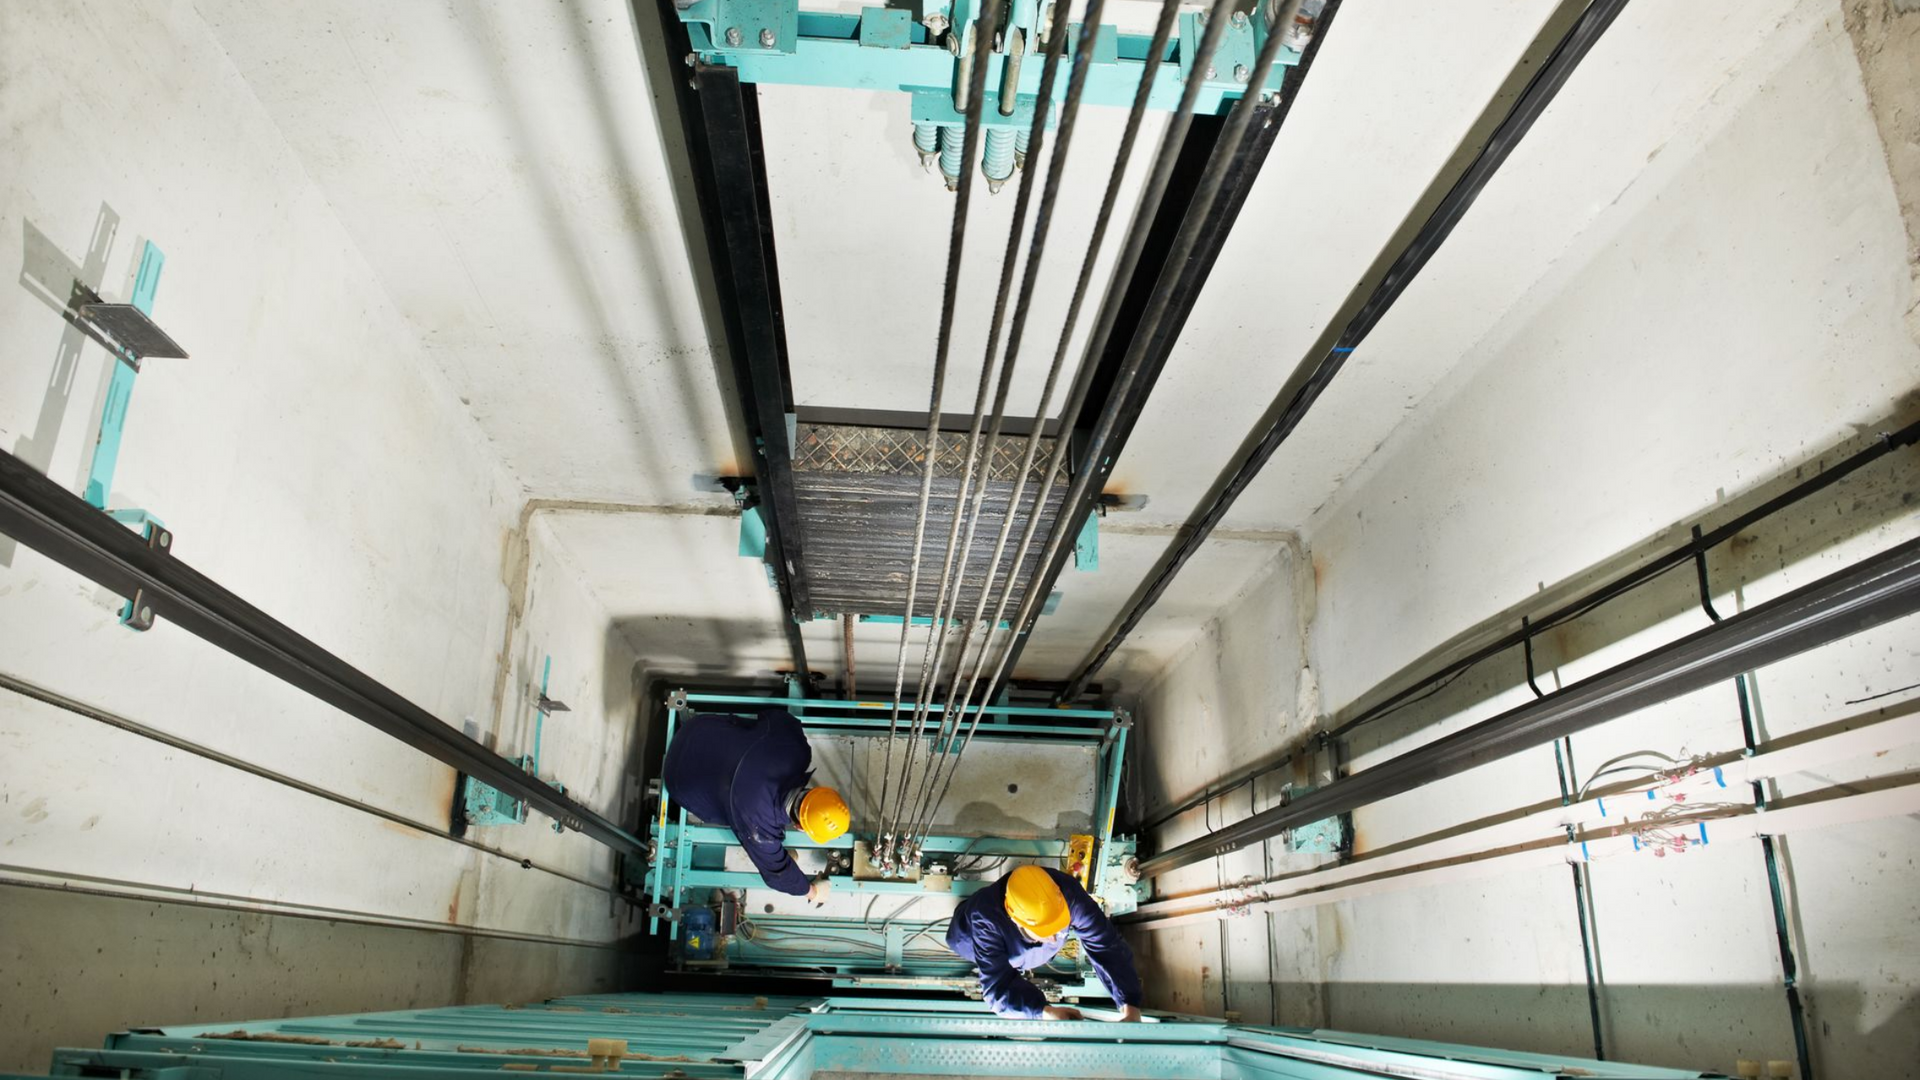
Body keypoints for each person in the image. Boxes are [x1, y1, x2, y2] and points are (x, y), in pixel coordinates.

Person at [662, 709, 849, 900]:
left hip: (697, 729)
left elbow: (775, 716)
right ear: (800, 827)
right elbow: (778, 875)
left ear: (818, 791)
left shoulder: (797, 750)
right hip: (678, 776)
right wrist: (813, 892)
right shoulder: (760, 829)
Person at [946, 864, 1144, 1021]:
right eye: (1047, 932)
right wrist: (1043, 1011)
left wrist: (1130, 1003)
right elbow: (997, 988)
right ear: (1017, 921)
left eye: (1058, 926)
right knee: (968, 941)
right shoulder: (985, 918)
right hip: (968, 936)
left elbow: (1105, 944)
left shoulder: (1067, 894)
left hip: (1027, 945)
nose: (1055, 937)